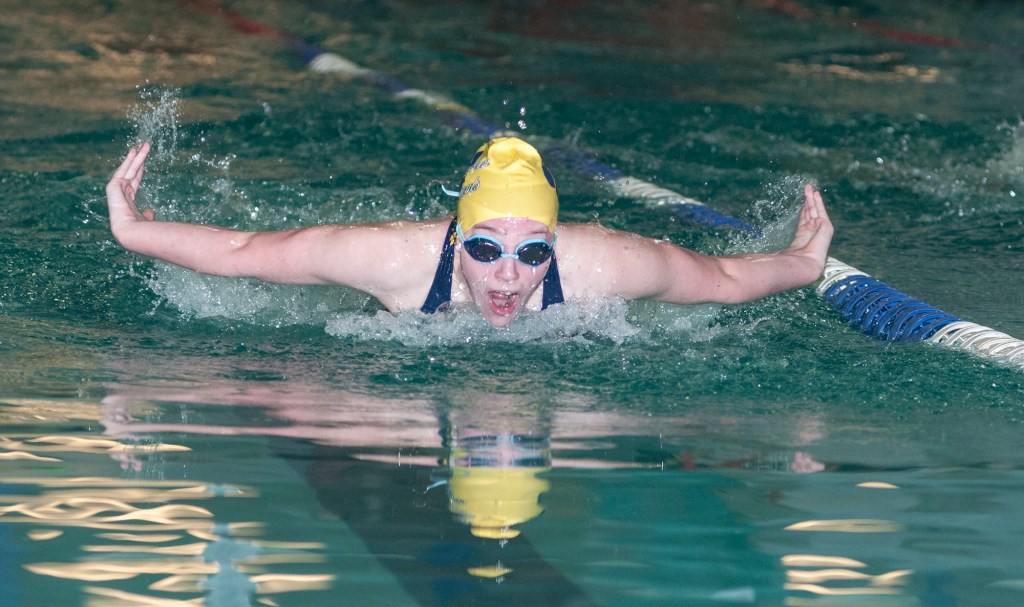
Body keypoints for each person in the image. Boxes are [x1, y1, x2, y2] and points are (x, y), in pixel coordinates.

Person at [106, 136, 833, 328]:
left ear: (555, 246)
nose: (509, 277)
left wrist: (803, 263)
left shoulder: (606, 265)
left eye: (531, 253)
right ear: (457, 238)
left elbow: (724, 279)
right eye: (485, 249)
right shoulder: (391, 257)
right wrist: (134, 229)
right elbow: (244, 254)